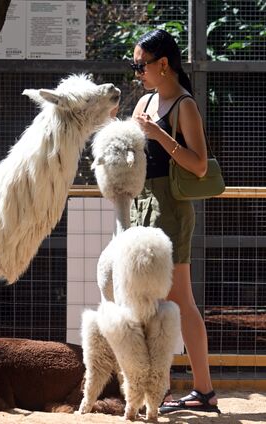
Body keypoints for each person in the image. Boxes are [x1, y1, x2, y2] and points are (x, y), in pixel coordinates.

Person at [129, 29, 220, 414]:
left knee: (180, 300)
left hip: (173, 205)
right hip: (143, 203)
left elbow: (199, 166)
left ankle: (203, 391)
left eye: (141, 66)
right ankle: (163, 389)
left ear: (163, 64)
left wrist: (157, 134)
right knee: (148, 299)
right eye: (134, 67)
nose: (137, 74)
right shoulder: (146, 100)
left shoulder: (184, 105)